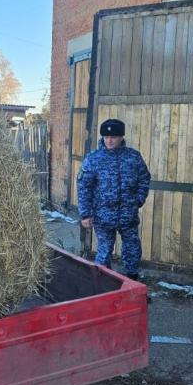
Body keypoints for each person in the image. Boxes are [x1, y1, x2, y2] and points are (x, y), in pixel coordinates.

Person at [77, 118, 151, 280]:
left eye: (113, 137)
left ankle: (132, 284)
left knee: (132, 249)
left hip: (128, 215)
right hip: (103, 215)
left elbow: (144, 179)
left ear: (121, 137)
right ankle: (102, 285)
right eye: (106, 137)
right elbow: (84, 187)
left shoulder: (133, 157)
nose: (109, 140)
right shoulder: (93, 159)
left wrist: (138, 200)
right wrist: (85, 214)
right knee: (104, 252)